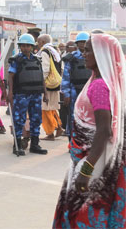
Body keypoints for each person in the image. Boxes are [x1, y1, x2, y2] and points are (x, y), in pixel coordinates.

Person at [52, 33, 126, 228]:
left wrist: (86, 169)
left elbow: (103, 130)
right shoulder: (102, 83)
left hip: (93, 160)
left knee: (84, 210)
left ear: (101, 54)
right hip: (95, 158)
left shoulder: (100, 86)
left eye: (88, 50)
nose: (83, 54)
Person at [6, 34, 48, 156]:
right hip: (21, 94)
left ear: (32, 47)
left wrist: (45, 93)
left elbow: (41, 77)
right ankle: (17, 145)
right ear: (20, 46)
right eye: (23, 46)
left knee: (36, 119)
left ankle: (35, 144)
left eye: (28, 46)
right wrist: (10, 93)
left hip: (36, 94)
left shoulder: (37, 60)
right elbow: (11, 77)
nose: (25, 48)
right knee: (19, 120)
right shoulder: (16, 60)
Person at [61, 32, 91, 139]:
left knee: (88, 116)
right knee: (73, 117)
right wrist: (66, 94)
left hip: (90, 91)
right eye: (80, 42)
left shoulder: (94, 56)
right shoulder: (71, 58)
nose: (82, 45)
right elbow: (66, 77)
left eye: (84, 42)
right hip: (74, 90)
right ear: (77, 44)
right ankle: (72, 141)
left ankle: (85, 140)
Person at [38, 34, 64, 141]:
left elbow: (45, 69)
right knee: (52, 108)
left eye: (39, 42)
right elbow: (62, 68)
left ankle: (50, 133)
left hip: (47, 85)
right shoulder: (55, 51)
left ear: (43, 42)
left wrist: (41, 82)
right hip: (56, 83)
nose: (38, 45)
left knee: (45, 109)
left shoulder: (45, 51)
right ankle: (58, 127)